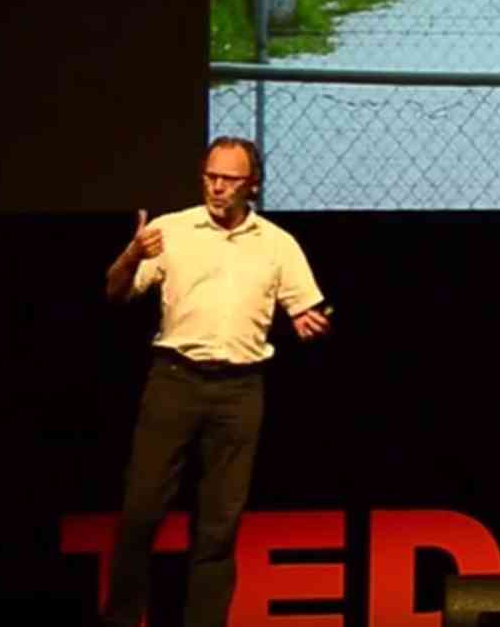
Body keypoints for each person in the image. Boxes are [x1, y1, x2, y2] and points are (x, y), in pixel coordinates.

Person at [101, 135, 330, 627]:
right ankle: (120, 618)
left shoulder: (277, 243)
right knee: (140, 512)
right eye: (211, 176)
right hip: (175, 382)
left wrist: (310, 321)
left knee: (219, 526)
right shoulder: (169, 230)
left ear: (252, 185)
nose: (217, 187)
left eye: (229, 179)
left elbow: (307, 307)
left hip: (240, 391)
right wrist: (131, 255)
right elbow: (116, 293)